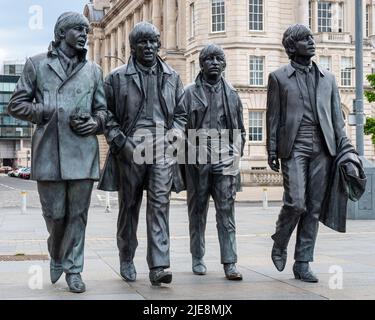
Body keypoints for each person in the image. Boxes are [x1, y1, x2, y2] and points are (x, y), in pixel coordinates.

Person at [7, 12, 107, 293]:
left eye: (86, 30)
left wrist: (95, 122)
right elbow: (16, 104)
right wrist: (44, 110)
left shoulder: (94, 71)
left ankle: (74, 269)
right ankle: (57, 253)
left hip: (82, 152)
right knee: (55, 216)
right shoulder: (36, 64)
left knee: (79, 215)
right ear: (61, 33)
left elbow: (103, 112)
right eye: (78, 29)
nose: (84, 34)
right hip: (49, 152)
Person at [98, 22, 187, 286]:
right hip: (130, 147)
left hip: (162, 146)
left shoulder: (172, 76)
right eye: (143, 42)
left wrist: (176, 135)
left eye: (153, 42)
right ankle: (126, 257)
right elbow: (106, 115)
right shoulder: (116, 77)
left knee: (160, 205)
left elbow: (181, 115)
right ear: (133, 47)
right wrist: (119, 141)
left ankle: (159, 265)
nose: (149, 47)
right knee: (129, 206)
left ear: (159, 44)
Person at [266, 24, 348, 282]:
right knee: (296, 202)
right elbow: (273, 117)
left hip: (323, 148)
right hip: (294, 146)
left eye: (312, 37)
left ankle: (302, 262)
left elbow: (337, 120)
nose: (312, 42)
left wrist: (346, 150)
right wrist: (271, 149)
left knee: (313, 208)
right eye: (305, 39)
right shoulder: (278, 77)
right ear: (292, 46)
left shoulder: (328, 78)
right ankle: (280, 240)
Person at [184, 44, 246, 280]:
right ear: (201, 64)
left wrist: (234, 155)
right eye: (208, 58)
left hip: (225, 157)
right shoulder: (188, 93)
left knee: (226, 212)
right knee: (197, 211)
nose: (213, 62)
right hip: (197, 156)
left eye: (218, 58)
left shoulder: (232, 94)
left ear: (224, 64)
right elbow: (180, 127)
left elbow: (240, 130)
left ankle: (230, 262)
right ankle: (197, 257)